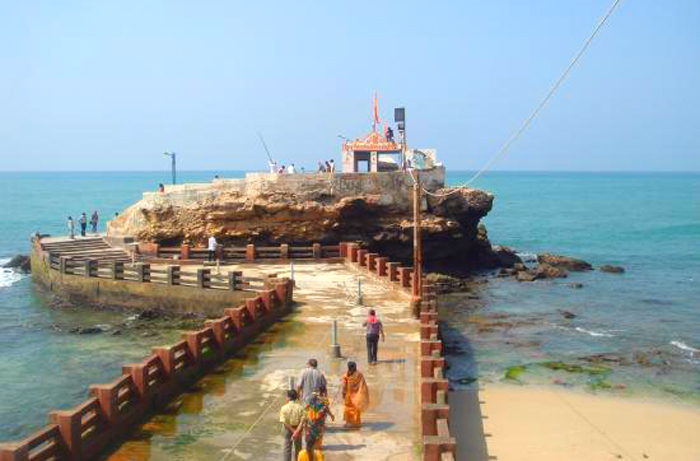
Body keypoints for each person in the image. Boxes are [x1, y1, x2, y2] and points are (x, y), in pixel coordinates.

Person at [296, 388, 334, 461]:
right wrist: (331, 415)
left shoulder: (310, 399)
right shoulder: (324, 400)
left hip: (312, 422)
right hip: (319, 423)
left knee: (311, 435)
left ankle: (312, 448)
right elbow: (327, 409)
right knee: (318, 436)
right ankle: (316, 449)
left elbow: (306, 408)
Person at [341, 361, 369, 428]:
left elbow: (344, 386)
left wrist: (343, 394)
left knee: (348, 408)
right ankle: (356, 423)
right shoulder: (359, 374)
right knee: (356, 409)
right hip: (357, 395)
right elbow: (363, 385)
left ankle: (349, 422)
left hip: (349, 396)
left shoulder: (346, 375)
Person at [280, 390, 305, 461]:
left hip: (287, 429)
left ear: (288, 397)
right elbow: (302, 421)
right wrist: (296, 431)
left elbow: (284, 422)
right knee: (298, 448)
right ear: (296, 397)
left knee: (287, 449)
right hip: (298, 429)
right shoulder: (300, 408)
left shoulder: (284, 408)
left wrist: (293, 431)